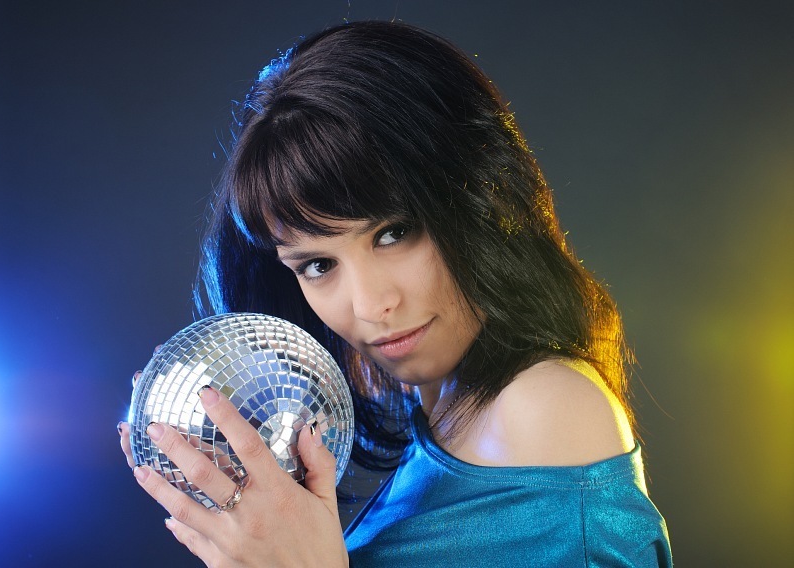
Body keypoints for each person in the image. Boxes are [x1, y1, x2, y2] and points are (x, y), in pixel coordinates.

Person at [119, 20, 672, 567]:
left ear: (481, 196)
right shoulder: (438, 411)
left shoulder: (544, 408)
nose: (369, 306)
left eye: (394, 233)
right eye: (318, 265)